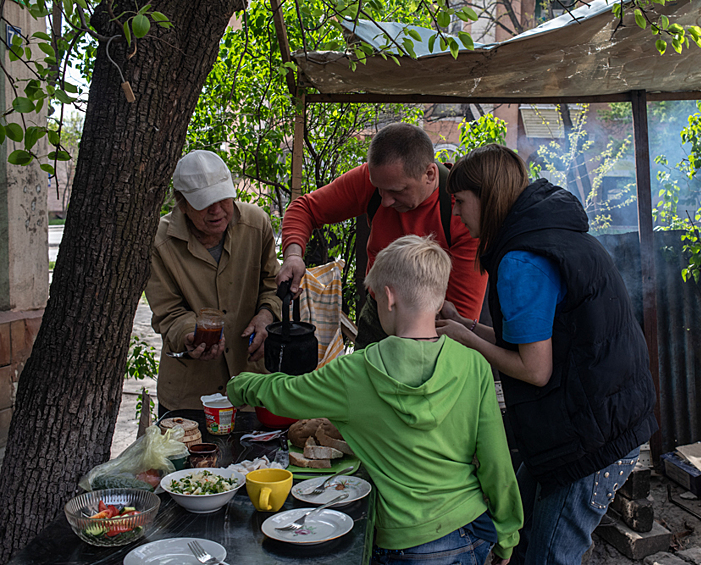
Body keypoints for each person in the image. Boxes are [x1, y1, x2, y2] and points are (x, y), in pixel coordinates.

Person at [228, 235, 523, 565]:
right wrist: (507, 535)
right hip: (472, 528)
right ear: (439, 300)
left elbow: (284, 394)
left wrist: (239, 385)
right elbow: (496, 462)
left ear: (388, 297)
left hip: (407, 543)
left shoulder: (357, 371)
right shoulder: (474, 365)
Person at [436, 144, 658, 565]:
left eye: (460, 202)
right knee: (518, 532)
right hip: (597, 419)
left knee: (549, 557)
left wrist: (468, 343)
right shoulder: (550, 234)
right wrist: (466, 325)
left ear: (488, 197)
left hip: (590, 439)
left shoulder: (522, 259)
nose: (457, 216)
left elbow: (535, 370)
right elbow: (536, 341)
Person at [277, 122, 487, 348]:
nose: (385, 201)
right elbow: (305, 209)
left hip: (434, 328)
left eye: (397, 191)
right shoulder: (377, 179)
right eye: (379, 189)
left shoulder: (463, 215)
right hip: (378, 314)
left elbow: (460, 316)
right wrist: (293, 256)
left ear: (429, 173)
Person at [146, 150, 282, 412]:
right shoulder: (159, 243)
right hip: (191, 396)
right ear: (182, 204)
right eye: (204, 203)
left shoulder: (257, 224)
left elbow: (272, 286)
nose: (217, 211)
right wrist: (190, 334)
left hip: (251, 385)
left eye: (222, 199)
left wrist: (267, 315)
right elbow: (168, 312)